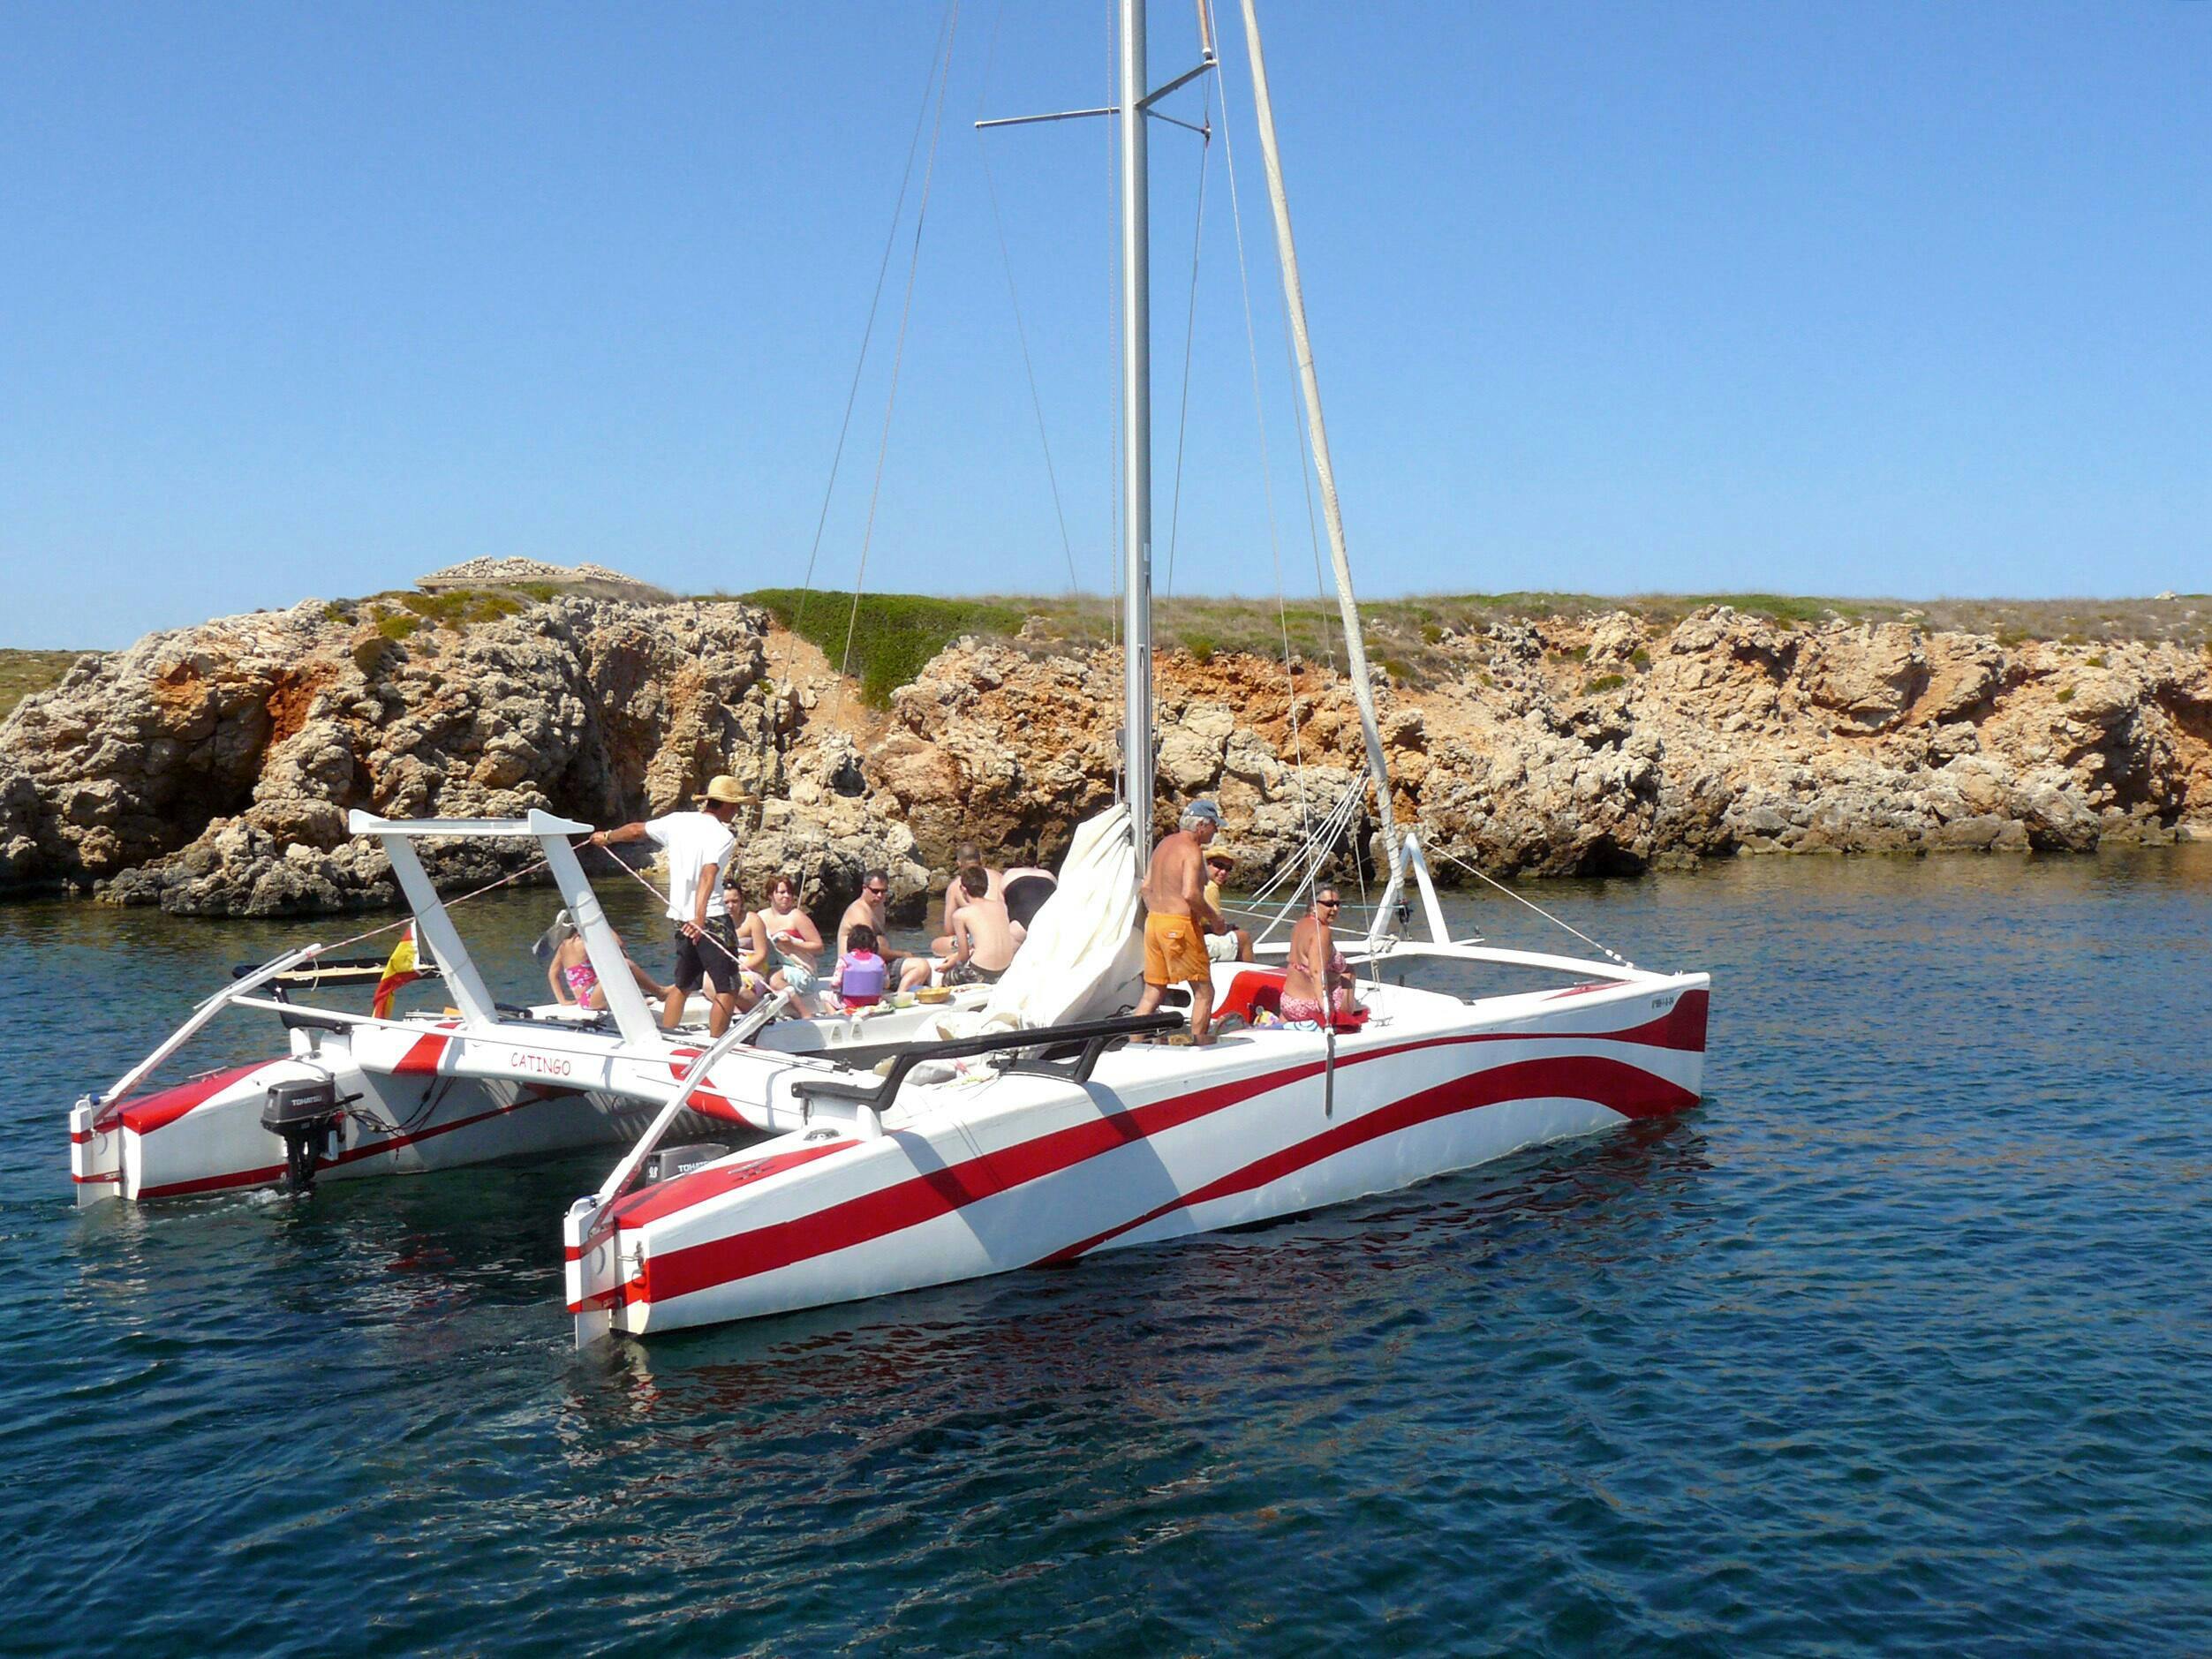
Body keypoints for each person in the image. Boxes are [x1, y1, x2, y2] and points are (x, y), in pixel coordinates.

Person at [587, 775, 751, 1036]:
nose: (737, 810)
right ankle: (715, 1044)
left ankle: (666, 1036)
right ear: (727, 805)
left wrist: (608, 837)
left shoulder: (678, 821)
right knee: (727, 987)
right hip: (710, 919)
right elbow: (707, 875)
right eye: (736, 805)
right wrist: (700, 919)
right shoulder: (723, 835)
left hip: (681, 920)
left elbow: (635, 831)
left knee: (683, 985)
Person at [1133, 798, 1227, 1043]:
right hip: (1179, 925)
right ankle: (1198, 1046)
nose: (1216, 831)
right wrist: (1215, 919)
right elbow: (1190, 893)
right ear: (1201, 825)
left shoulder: (1164, 844)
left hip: (1155, 923)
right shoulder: (1191, 850)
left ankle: (1132, 1047)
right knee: (1204, 992)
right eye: (1214, 826)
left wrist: (1160, 912)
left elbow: (1145, 887)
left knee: (1152, 993)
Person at [544, 911, 667, 1012]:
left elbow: (552, 974)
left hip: (586, 999)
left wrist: (562, 1001)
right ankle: (659, 991)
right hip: (593, 999)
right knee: (624, 963)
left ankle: (638, 998)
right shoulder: (583, 943)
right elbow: (619, 944)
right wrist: (602, 925)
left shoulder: (563, 947)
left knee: (615, 966)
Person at [839, 869, 933, 992]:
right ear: (864, 888)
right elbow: (871, 950)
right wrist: (903, 954)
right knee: (921, 966)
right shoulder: (859, 912)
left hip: (877, 964)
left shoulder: (878, 907)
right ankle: (901, 996)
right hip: (859, 968)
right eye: (875, 891)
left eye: (883, 891)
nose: (879, 895)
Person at [1282, 886, 1361, 1026]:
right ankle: (1347, 1012)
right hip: (1308, 1007)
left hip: (1288, 1002)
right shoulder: (1322, 932)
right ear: (1313, 904)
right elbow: (1316, 972)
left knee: (1346, 970)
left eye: (1337, 904)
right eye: (1329, 904)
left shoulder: (1300, 924)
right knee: (1348, 974)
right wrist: (1326, 1010)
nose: (1335, 909)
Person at [938, 860, 1016, 986]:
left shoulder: (961, 915)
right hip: (1005, 971)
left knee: (945, 980)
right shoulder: (1002, 907)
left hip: (980, 972)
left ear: (963, 889)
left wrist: (950, 964)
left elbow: (963, 956)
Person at [756, 872, 826, 1013]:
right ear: (771, 895)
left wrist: (793, 944)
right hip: (773, 966)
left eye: (789, 892)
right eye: (781, 892)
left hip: (802, 971)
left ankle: (803, 1012)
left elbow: (819, 948)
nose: (786, 896)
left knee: (775, 979)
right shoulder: (760, 917)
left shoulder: (796, 916)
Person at [938, 842, 1003, 940]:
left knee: (938, 944)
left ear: (959, 863)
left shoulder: (955, 886)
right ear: (981, 859)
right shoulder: (998, 877)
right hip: (1005, 934)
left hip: (981, 939)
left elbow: (950, 931)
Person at [1201, 848, 1256, 964]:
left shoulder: (1193, 882)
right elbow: (1218, 930)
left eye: (1228, 869)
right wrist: (1227, 928)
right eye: (1219, 865)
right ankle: (1250, 977)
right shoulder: (1210, 887)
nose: (1223, 872)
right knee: (1243, 937)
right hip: (1194, 942)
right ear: (1206, 864)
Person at [829, 924, 891, 1013]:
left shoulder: (844, 960)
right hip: (873, 1003)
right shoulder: (879, 961)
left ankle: (834, 1017)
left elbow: (835, 984)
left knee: (827, 998)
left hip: (850, 1004)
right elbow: (886, 984)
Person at [1000, 863, 1058, 946]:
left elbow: (1001, 909)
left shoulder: (1009, 874)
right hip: (1051, 921)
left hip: (1021, 924)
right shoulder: (1049, 875)